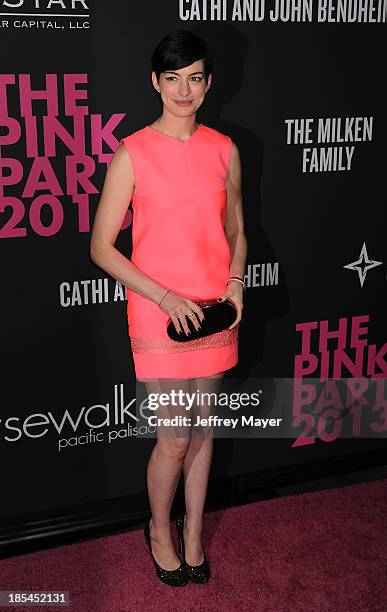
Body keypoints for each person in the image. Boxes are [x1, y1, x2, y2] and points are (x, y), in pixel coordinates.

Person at [90, 29, 247, 586]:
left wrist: (235, 283)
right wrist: (161, 294)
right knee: (175, 436)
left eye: (196, 78)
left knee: (204, 430)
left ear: (208, 84)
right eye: (174, 78)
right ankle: (160, 529)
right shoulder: (132, 152)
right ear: (156, 82)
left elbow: (237, 231)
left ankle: (195, 533)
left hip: (212, 310)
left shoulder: (225, 149)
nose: (185, 90)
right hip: (160, 309)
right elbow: (101, 246)